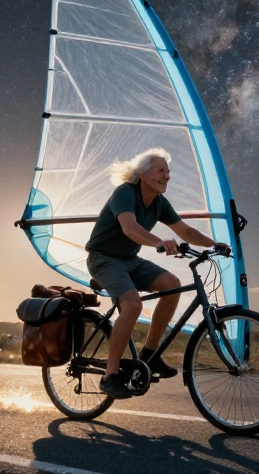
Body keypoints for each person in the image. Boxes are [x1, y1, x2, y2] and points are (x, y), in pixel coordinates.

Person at [85, 147, 229, 399]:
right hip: (104, 259)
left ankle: (149, 355)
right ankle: (110, 376)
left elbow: (186, 232)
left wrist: (213, 243)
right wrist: (159, 242)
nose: (167, 176)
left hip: (130, 260)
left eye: (168, 171)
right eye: (161, 170)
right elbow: (130, 228)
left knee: (171, 285)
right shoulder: (125, 193)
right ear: (143, 175)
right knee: (132, 305)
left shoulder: (160, 203)